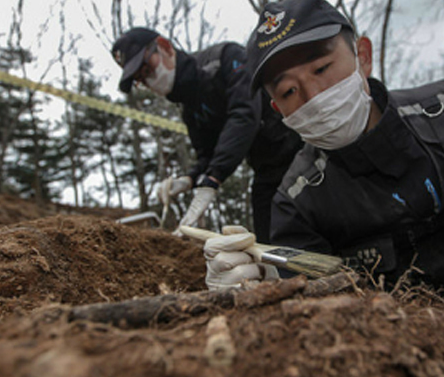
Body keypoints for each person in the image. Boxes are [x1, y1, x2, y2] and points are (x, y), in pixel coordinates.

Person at [200, 0, 444, 291]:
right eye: (290, 90)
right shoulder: (297, 203)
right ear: (278, 109)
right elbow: (313, 314)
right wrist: (263, 286)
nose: (314, 95)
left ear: (362, 56)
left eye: (321, 69)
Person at [111, 28, 302, 241]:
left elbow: (245, 113)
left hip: (301, 152)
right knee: (267, 240)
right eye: (141, 80)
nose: (150, 81)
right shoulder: (189, 107)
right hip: (266, 171)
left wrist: (213, 178)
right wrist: (189, 179)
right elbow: (207, 153)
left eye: (147, 69)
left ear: (165, 47)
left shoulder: (225, 59)